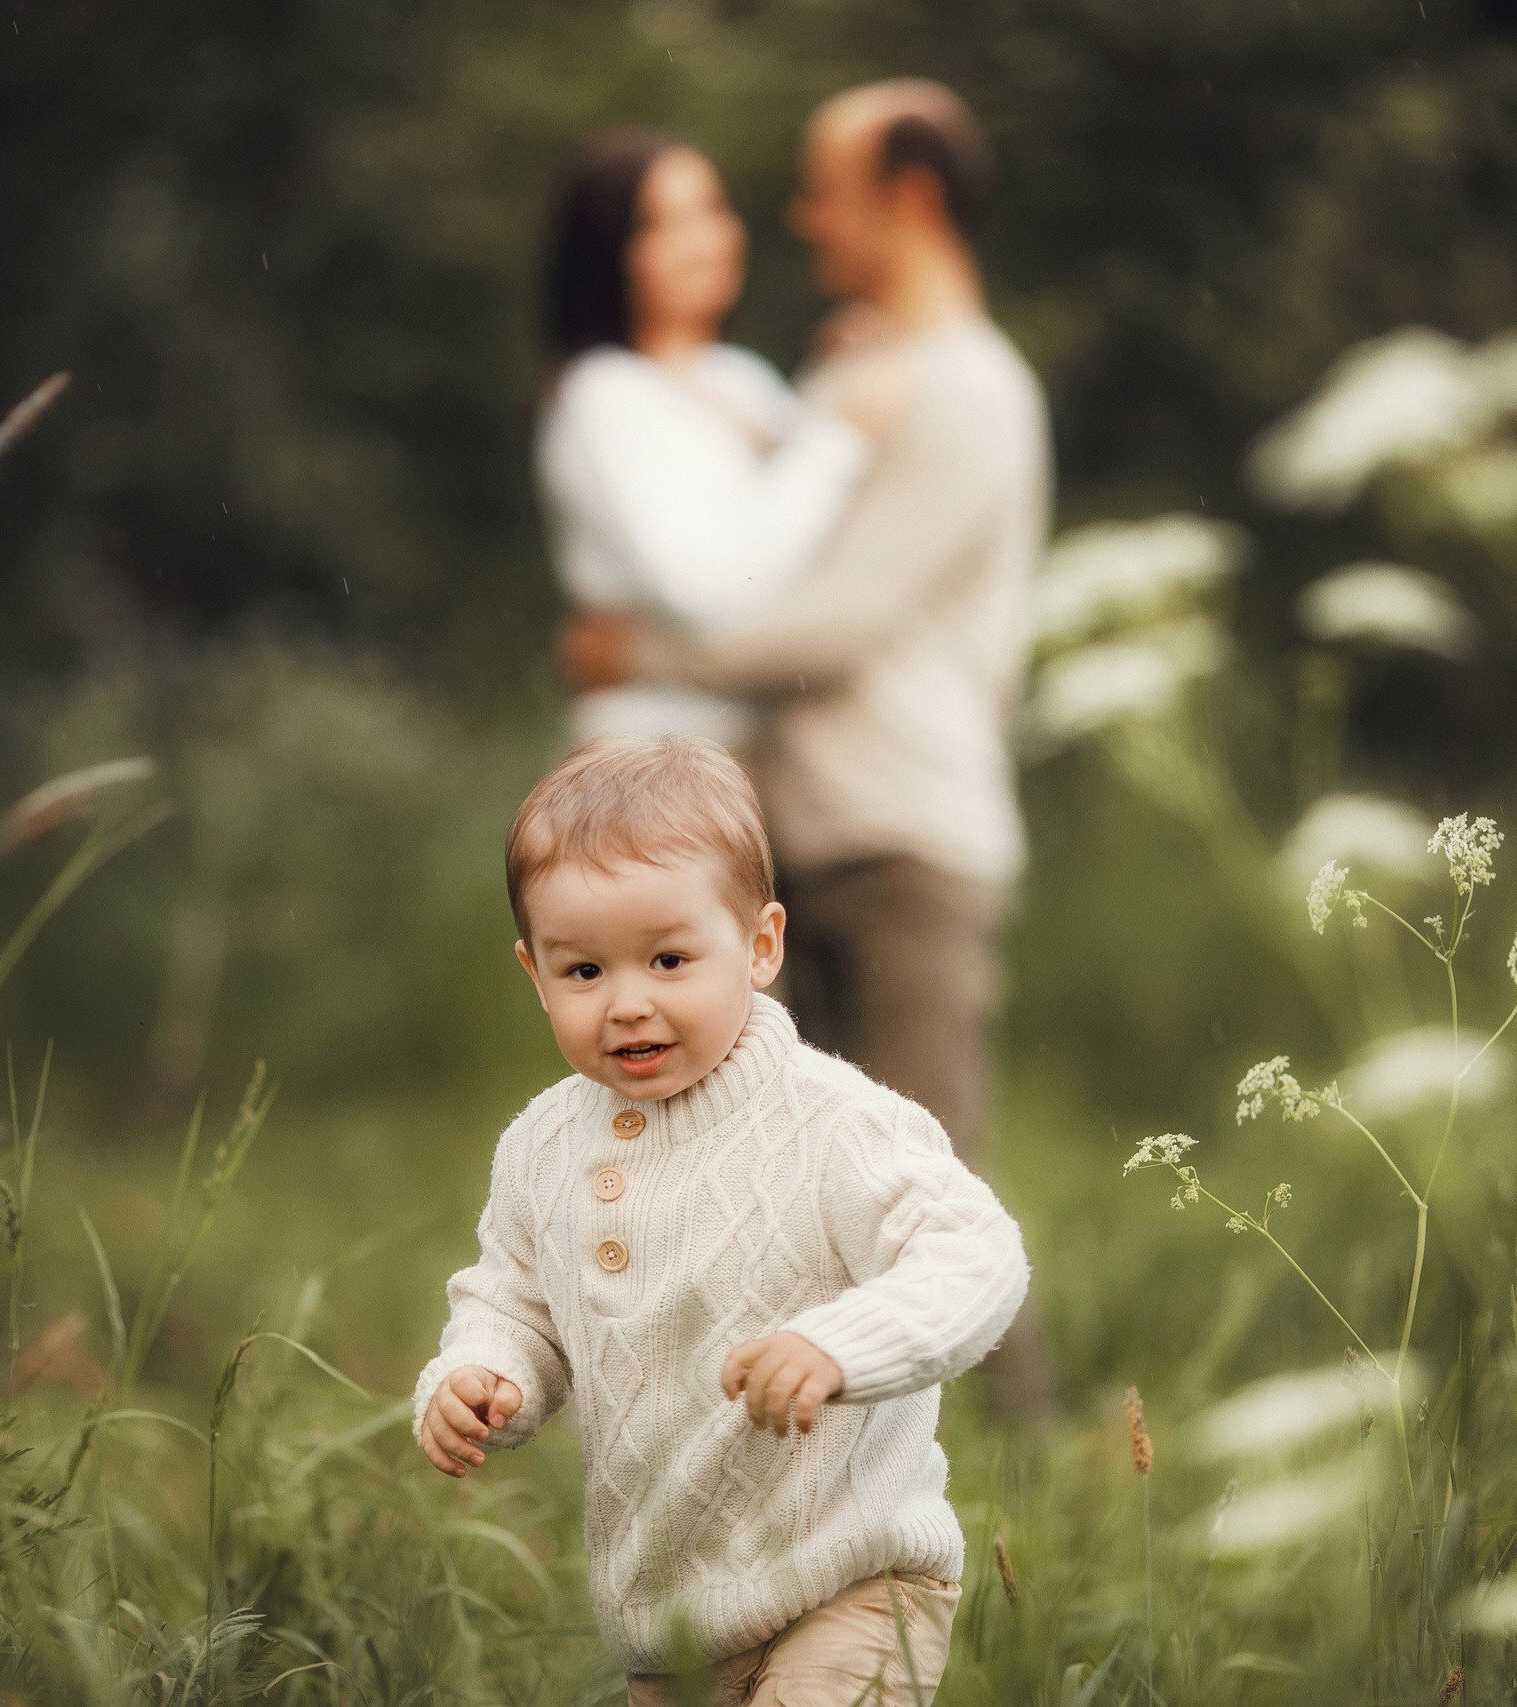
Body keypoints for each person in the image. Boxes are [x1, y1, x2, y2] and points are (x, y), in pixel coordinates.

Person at [563, 81, 1054, 1416]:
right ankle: (834, 1486)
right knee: (808, 1203)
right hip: (806, 836)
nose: (799, 218)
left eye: (824, 191)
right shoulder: (853, 371)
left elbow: (836, 620)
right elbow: (752, 542)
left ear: (910, 197)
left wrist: (637, 657)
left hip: (906, 832)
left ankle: (1035, 1479)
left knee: (934, 1186)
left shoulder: (967, 388)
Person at [415, 735, 1030, 1706]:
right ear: (534, 972)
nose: (628, 1003)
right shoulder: (540, 1148)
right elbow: (514, 1301)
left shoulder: (834, 1123)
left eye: (669, 959)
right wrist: (484, 1373)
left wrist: (841, 1345)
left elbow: (976, 1254)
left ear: (760, 945)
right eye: (584, 971)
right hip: (669, 1623)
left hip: (853, 1573)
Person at [537, 125, 901, 752]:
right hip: (650, 760)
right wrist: (837, 439)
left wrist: (833, 380)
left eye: (711, 211)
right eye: (660, 226)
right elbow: (705, 592)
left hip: (761, 756)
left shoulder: (742, 377)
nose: (702, 243)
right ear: (609, 252)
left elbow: (808, 542)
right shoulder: (604, 394)